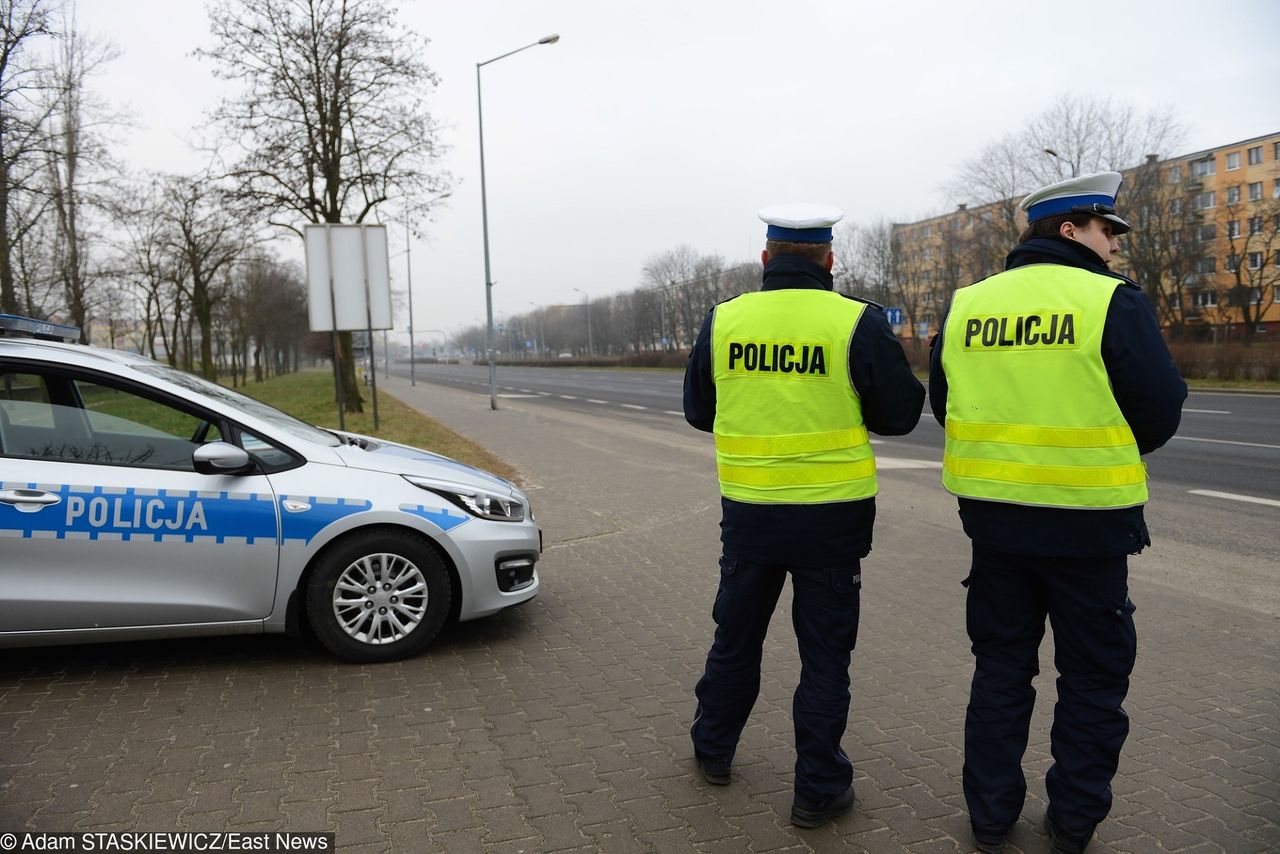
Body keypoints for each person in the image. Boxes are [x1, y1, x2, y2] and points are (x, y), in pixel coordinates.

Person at [927, 172, 1186, 854]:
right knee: (1094, 680)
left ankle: (988, 818)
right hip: (1087, 528)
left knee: (1001, 669)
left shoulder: (966, 305)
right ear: (1071, 230)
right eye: (1108, 232)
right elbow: (1159, 411)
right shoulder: (1110, 301)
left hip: (995, 528)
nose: (1114, 248)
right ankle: (1071, 823)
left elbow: (944, 406)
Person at [685, 203, 924, 828]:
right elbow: (900, 416)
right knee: (824, 659)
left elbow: (697, 411)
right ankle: (817, 791)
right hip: (830, 524)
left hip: (751, 518)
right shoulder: (856, 323)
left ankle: (713, 749)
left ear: (765, 259)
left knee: (734, 640)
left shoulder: (725, 320)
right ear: (830, 260)